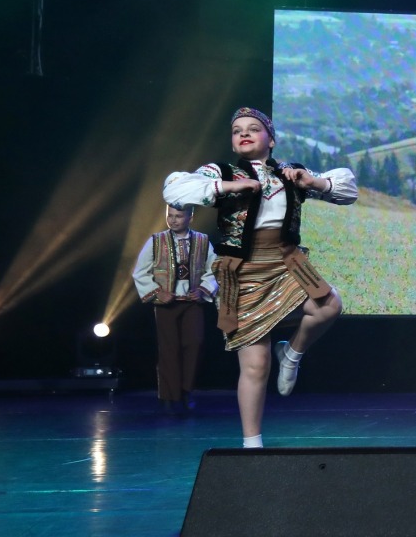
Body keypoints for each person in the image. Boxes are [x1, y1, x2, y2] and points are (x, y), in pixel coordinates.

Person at [162, 107, 357, 448]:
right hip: (243, 269)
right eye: (237, 130)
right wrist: (228, 186)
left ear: (272, 139)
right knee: (255, 365)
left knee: (330, 304)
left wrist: (314, 182)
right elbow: (174, 190)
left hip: (286, 261)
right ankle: (252, 444)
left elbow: (347, 191)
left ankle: (292, 354)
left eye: (253, 128)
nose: (244, 133)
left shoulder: (290, 173)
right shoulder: (220, 171)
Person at [131, 204, 218, 414]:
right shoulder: (156, 240)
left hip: (191, 302)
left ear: (190, 217)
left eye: (178, 216)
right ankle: (169, 396)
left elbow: (214, 268)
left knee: (194, 344)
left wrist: (203, 289)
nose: (173, 220)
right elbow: (140, 272)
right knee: (168, 349)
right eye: (170, 215)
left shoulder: (202, 241)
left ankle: (187, 391)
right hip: (166, 304)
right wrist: (157, 292)